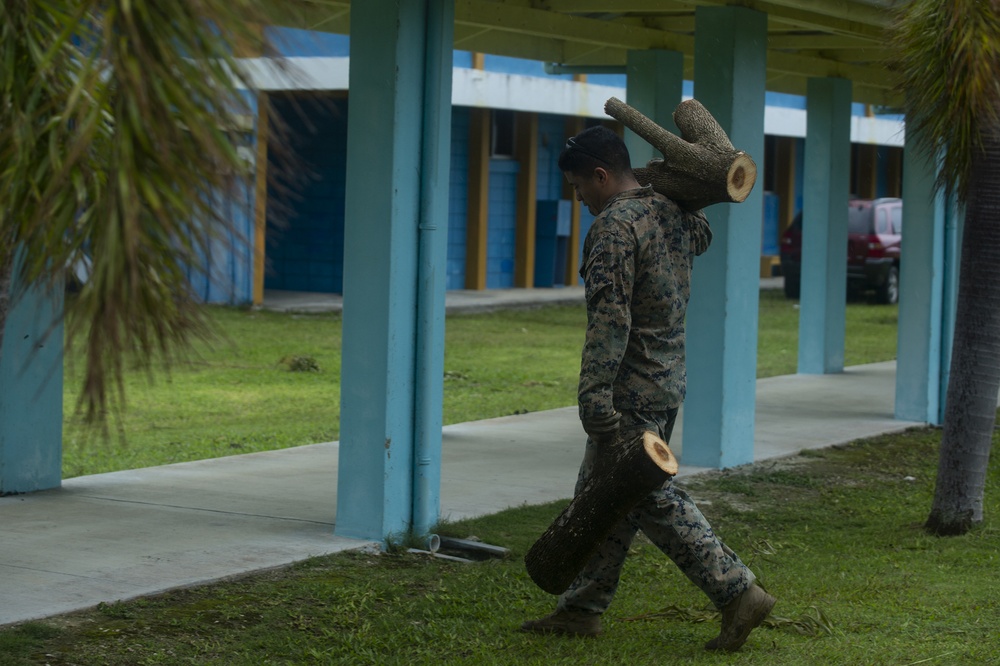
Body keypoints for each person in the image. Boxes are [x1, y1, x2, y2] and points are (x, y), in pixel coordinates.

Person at [521, 126, 775, 652]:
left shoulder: (615, 228)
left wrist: (593, 396)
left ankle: (737, 591)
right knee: (601, 499)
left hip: (630, 390)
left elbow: (609, 322)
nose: (579, 199)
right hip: (667, 382)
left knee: (648, 498)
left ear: (600, 175)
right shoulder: (671, 212)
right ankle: (582, 608)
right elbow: (701, 234)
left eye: (578, 188)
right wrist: (671, 189)